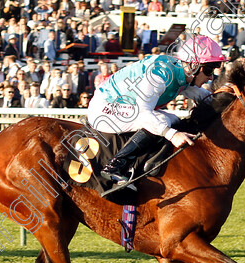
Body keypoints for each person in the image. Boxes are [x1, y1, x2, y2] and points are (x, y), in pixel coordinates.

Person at [86, 35, 226, 183]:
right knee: (163, 121)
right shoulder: (159, 76)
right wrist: (173, 135)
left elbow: (206, 98)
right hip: (104, 109)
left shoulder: (183, 73)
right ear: (193, 65)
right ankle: (116, 165)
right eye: (209, 70)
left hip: (122, 105)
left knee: (174, 119)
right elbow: (143, 114)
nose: (211, 77)